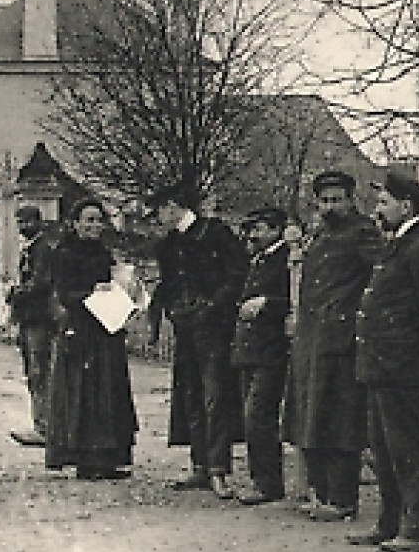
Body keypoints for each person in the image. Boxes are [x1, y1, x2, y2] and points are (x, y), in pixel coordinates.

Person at [346, 168, 419, 552]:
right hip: (382, 367)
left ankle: (417, 529)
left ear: (406, 206)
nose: (379, 209)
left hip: (406, 369)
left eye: (384, 202)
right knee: (385, 449)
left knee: (410, 449)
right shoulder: (399, 245)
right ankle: (389, 522)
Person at [286, 170, 386, 523]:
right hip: (312, 339)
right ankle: (321, 493)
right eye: (324, 200)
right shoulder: (317, 235)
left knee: (340, 421)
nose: (330, 206)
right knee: (312, 417)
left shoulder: (363, 233)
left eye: (336, 200)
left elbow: (381, 277)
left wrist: (354, 316)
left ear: (350, 199)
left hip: (342, 341)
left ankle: (343, 499)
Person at [150, 183, 248, 499]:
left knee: (215, 395)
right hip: (185, 326)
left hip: (214, 327)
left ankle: (219, 468)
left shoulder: (215, 234)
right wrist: (164, 314)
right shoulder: (168, 245)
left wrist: (213, 306)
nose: (158, 217)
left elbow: (237, 275)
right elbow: (167, 284)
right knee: (190, 393)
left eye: (161, 209)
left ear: (174, 205)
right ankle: (200, 466)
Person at [43, 198, 139, 480]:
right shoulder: (64, 254)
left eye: (98, 220)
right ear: (74, 224)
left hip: (106, 330)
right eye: (88, 220)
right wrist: (92, 293)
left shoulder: (104, 254)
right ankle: (85, 460)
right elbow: (64, 295)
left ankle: (107, 459)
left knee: (108, 393)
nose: (94, 226)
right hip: (81, 332)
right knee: (85, 394)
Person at [230, 206, 297, 505]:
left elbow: (294, 300)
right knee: (252, 415)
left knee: (259, 415)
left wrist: (266, 303)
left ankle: (268, 483)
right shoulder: (258, 259)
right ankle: (262, 478)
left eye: (259, 229)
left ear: (275, 229)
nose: (253, 235)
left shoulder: (287, 260)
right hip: (251, 349)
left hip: (272, 350)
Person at [6, 204, 59, 447]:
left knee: (39, 372)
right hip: (28, 319)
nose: (23, 227)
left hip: (40, 318)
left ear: (38, 222)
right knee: (33, 371)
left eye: (27, 222)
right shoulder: (31, 249)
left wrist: (16, 293)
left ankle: (45, 427)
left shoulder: (43, 250)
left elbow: (41, 283)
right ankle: (40, 423)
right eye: (20, 223)